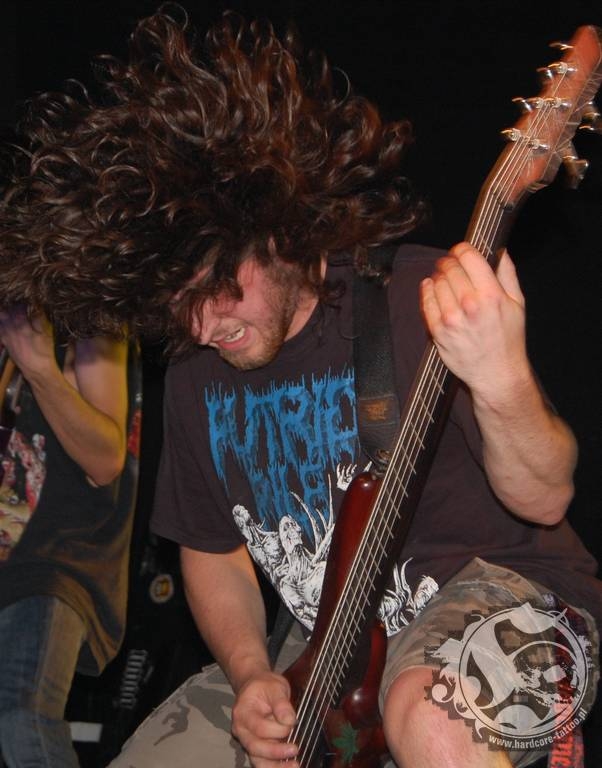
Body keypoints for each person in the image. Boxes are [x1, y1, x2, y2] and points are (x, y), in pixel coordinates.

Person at [0, 6, 599, 768]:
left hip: (521, 599)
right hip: (329, 656)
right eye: (177, 303)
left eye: (219, 288)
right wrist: (251, 671)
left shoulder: (412, 298)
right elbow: (212, 551)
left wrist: (500, 376)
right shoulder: (194, 373)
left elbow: (545, 498)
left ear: (278, 231)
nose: (203, 324)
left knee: (431, 719)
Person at [0, 306, 141, 765]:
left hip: (54, 561)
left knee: (21, 716)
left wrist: (41, 369)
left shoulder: (89, 306)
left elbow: (106, 460)